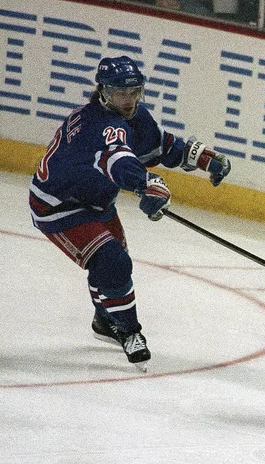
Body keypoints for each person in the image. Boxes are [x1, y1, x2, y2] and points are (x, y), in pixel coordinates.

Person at [28, 56, 231, 370]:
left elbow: (159, 146)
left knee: (109, 267)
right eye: (119, 92)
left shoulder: (136, 115)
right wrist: (145, 183)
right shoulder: (96, 125)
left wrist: (203, 158)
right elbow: (119, 160)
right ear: (103, 91)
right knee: (113, 262)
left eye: (135, 91)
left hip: (96, 200)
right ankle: (129, 331)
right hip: (60, 206)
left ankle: (104, 319)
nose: (129, 99)